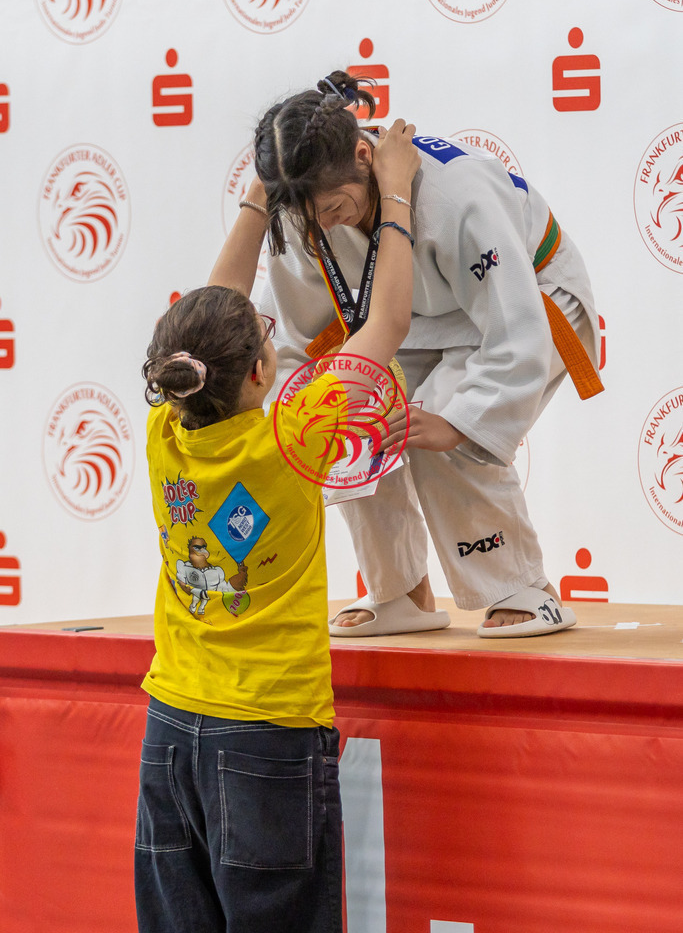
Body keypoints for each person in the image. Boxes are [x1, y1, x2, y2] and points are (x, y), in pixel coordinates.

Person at [135, 119, 424, 933]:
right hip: (264, 735)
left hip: (170, 729)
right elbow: (389, 325)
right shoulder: (292, 435)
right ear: (264, 373)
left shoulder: (165, 433)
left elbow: (213, 315)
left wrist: (259, 195)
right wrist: (394, 188)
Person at [239, 69, 603, 640]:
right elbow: (292, 334)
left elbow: (515, 326)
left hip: (532, 297)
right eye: (312, 217)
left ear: (365, 155)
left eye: (336, 209)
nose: (325, 225)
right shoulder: (303, 208)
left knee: (442, 426)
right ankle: (399, 590)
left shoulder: (455, 195)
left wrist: (459, 422)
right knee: (340, 414)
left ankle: (521, 587)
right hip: (418, 327)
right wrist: (299, 411)